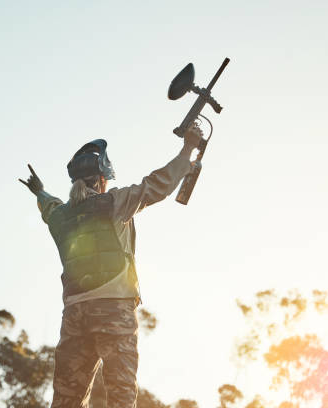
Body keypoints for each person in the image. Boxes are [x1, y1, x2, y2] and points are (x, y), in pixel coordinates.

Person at [19, 124, 203, 408]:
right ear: (103, 179)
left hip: (75, 314)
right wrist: (188, 149)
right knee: (121, 395)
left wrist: (39, 191)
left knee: (66, 400)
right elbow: (158, 184)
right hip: (113, 310)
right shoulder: (115, 201)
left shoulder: (60, 217)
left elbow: (49, 206)